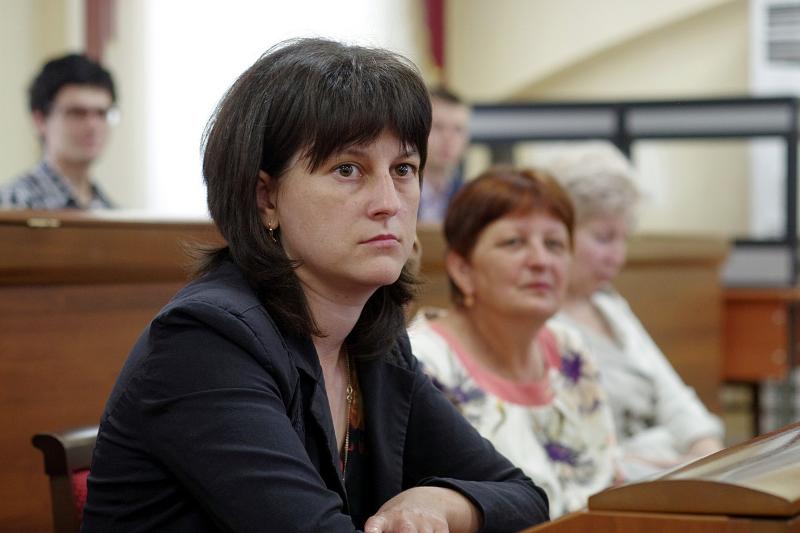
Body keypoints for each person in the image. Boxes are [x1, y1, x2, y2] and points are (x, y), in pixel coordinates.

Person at [81, 38, 548, 532]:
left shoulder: (373, 339)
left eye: (403, 169)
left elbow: (524, 499)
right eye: (348, 169)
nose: (389, 202)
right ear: (266, 199)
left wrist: (440, 502)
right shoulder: (206, 340)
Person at [408, 167, 619, 518]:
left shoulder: (569, 348)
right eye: (514, 243)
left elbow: (607, 479)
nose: (540, 261)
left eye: (554, 244)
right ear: (462, 269)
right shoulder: (422, 361)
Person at [544, 143, 724, 479]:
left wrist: (706, 449)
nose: (618, 257)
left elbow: (673, 396)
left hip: (670, 471)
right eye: (603, 238)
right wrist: (671, 465)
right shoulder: (538, 321)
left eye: (624, 239)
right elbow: (574, 449)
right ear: (556, 234)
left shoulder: (610, 305)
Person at [0, 53, 117, 209]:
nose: (92, 125)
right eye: (77, 113)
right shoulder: (10, 205)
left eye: (102, 113)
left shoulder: (111, 212)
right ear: (40, 120)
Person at [418, 86, 470, 223]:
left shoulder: (471, 199)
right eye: (438, 127)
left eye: (458, 129)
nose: (448, 138)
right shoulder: (395, 195)